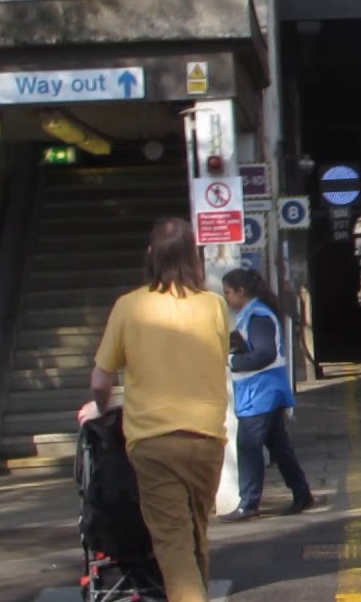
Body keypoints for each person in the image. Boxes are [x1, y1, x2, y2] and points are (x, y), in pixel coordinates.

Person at [77, 218, 231, 602]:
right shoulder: (215, 306)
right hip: (207, 438)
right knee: (196, 534)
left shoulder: (130, 306)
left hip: (154, 441)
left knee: (172, 543)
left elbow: (100, 380)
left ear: (151, 256)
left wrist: (100, 409)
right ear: (194, 257)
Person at [220, 267, 315, 521]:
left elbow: (265, 353)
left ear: (241, 291)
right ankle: (302, 493)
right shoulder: (254, 313)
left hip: (261, 393)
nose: (227, 298)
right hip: (265, 391)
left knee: (248, 446)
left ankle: (248, 503)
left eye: (228, 292)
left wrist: (231, 360)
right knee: (279, 447)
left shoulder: (257, 315)